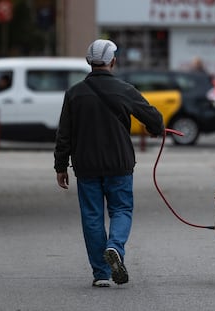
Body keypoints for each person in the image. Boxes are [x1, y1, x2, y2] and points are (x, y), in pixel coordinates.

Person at [54, 39, 164, 287]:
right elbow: (155, 119)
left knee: (92, 216)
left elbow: (64, 134)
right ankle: (114, 247)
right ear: (113, 61)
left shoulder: (74, 94)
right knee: (121, 210)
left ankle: (101, 273)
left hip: (86, 165)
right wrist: (154, 128)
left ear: (89, 62)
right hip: (119, 163)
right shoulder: (125, 90)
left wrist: (60, 166)